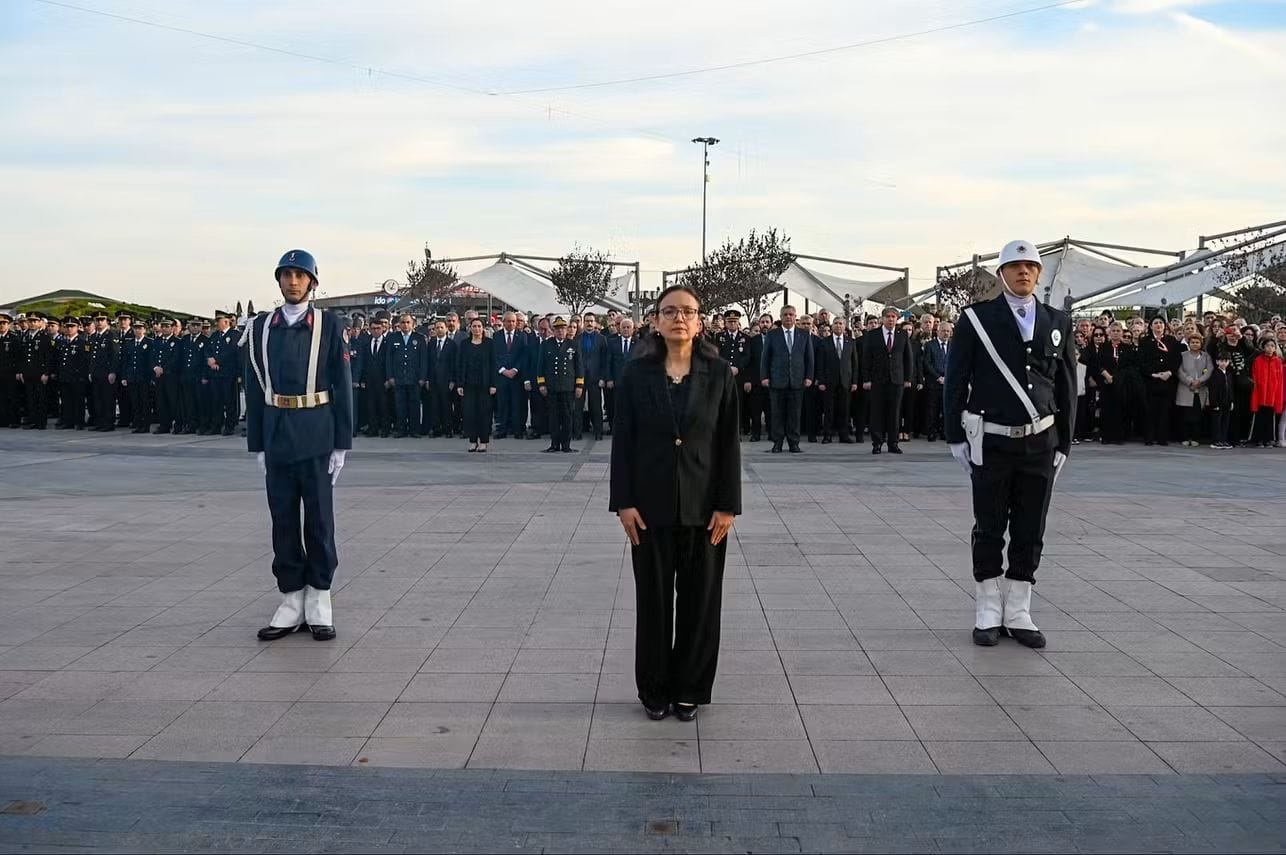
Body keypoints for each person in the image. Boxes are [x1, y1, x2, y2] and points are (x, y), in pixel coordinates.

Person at [610, 284, 740, 722]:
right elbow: (623, 442)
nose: (679, 318)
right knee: (653, 600)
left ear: (700, 321)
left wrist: (728, 506)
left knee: (701, 602)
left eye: (688, 311)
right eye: (669, 311)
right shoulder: (635, 374)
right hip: (648, 508)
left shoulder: (720, 374)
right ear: (655, 321)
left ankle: (690, 687)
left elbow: (728, 445)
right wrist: (623, 502)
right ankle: (655, 689)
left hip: (706, 511)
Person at [945, 239, 1075, 650]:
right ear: (1001, 274)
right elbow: (955, 380)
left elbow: (1068, 385)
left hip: (1041, 441)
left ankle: (1019, 610)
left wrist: (1065, 443)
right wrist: (953, 435)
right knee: (988, 524)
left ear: (1039, 274)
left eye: (1031, 267)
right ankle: (987, 608)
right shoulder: (976, 319)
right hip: (992, 441)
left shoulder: (1058, 320)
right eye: (1015, 267)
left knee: (1030, 526)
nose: (1024, 273)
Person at [245, 249, 353, 642]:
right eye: (286, 274)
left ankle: (319, 598)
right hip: (277, 431)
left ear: (312, 281)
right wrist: (257, 442)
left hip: (317, 432)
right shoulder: (261, 327)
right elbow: (254, 387)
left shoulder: (328, 324)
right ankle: (291, 599)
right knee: (283, 520)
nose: (293, 281)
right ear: (278, 280)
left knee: (320, 521)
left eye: (300, 275)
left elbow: (341, 384)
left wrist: (342, 443)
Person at [760, 305, 813, 453]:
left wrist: (809, 376)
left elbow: (809, 358)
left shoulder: (804, 334)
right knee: (777, 414)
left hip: (797, 381)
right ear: (781, 317)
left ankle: (793, 443)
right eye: (785, 315)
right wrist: (764, 376)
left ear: (795, 317)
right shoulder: (772, 335)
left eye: (791, 314)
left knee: (794, 414)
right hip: (777, 380)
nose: (788, 317)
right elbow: (765, 358)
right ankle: (777, 443)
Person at [861, 306, 913, 454]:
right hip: (877, 380)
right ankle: (877, 443)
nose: (891, 319)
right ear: (882, 319)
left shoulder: (902, 334)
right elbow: (866, 359)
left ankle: (893, 443)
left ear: (897, 319)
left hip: (897, 380)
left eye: (894, 317)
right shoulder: (873, 335)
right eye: (888, 317)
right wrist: (866, 379)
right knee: (877, 413)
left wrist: (907, 378)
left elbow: (907, 358)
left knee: (895, 413)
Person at [537, 317, 584, 453]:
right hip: (552, 387)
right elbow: (540, 366)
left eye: (563, 328)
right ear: (553, 330)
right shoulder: (546, 344)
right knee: (553, 417)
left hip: (568, 387)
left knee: (568, 416)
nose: (561, 331)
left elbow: (579, 366)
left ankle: (566, 445)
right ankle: (554, 444)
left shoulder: (573, 344)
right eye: (558, 329)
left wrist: (579, 385)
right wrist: (541, 384)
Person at [1137, 317, 1181, 446]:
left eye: (1161, 323)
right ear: (1150, 326)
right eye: (1155, 323)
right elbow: (1141, 360)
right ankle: (1149, 437)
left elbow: (1176, 359)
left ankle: (1162, 437)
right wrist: (1152, 374)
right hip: (1150, 380)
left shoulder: (1171, 341)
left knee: (1165, 410)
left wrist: (1169, 372)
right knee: (1150, 410)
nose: (1158, 325)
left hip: (1167, 380)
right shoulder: (1145, 341)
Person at [455, 317, 496, 452]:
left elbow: (493, 365)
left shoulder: (489, 344)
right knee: (470, 413)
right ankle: (473, 441)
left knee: (484, 413)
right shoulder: (465, 344)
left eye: (479, 326)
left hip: (485, 384)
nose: (477, 329)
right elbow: (460, 364)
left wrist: (493, 384)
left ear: (483, 328)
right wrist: (460, 384)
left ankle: (483, 441)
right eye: (474, 326)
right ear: (470, 328)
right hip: (468, 384)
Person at [817, 316, 859, 443]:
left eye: (841, 323)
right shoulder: (824, 342)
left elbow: (855, 363)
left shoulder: (850, 341)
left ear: (844, 326)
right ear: (832, 325)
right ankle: (827, 435)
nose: (838, 325)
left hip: (846, 381)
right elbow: (820, 363)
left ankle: (844, 435)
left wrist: (855, 382)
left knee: (844, 410)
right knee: (829, 410)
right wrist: (821, 381)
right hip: (829, 381)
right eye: (836, 323)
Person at [385, 313, 427, 438]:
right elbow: (389, 359)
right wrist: (390, 376)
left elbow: (423, 359)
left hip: (414, 378)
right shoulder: (393, 338)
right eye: (403, 322)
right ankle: (401, 429)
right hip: (399, 377)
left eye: (408, 322)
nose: (405, 325)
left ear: (413, 324)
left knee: (414, 405)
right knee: (400, 405)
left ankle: (414, 429)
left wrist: (422, 377)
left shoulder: (419, 338)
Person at [492, 313, 529, 439]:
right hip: (502, 376)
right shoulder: (496, 336)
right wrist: (503, 370)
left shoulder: (522, 336)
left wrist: (515, 369)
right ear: (503, 322)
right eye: (508, 321)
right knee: (502, 404)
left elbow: (524, 355)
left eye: (513, 321)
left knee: (516, 403)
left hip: (516, 376)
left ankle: (517, 430)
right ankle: (502, 429)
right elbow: (494, 355)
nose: (511, 324)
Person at [55, 317, 90, 430]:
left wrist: (81, 375)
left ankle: (79, 422)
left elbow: (85, 360)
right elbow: (60, 359)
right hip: (65, 376)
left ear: (77, 328)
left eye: (72, 326)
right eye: (67, 327)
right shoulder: (62, 341)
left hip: (77, 377)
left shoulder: (82, 342)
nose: (69, 329)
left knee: (78, 401)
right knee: (66, 400)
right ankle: (67, 421)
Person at [1176, 333, 1211, 447]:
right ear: (1189, 343)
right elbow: (1179, 371)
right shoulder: (1182, 355)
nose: (1195, 344)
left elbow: (1209, 370)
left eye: (1197, 342)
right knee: (1185, 415)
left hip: (1200, 389)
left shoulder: (1206, 356)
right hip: (1185, 388)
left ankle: (1196, 437)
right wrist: (1190, 381)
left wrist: (1200, 381)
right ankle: (1185, 437)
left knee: (1197, 416)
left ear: (1201, 343)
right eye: (1192, 342)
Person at [1249, 337, 1283, 448]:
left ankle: (1268, 439)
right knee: (1259, 418)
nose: (1270, 348)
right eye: (1268, 345)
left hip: (1272, 395)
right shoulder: (1258, 360)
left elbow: (1280, 380)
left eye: (1272, 346)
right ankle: (1258, 439)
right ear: (1263, 347)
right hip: (1260, 393)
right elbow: (1254, 376)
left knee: (1270, 418)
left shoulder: (1278, 362)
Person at [120, 320, 153, 433]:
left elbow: (150, 361)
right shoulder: (129, 343)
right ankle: (137, 423)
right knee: (135, 401)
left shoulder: (149, 342)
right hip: (132, 376)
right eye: (136, 328)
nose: (138, 330)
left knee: (145, 401)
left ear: (145, 330)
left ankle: (145, 425)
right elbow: (125, 361)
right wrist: (124, 376)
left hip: (144, 377)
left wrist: (151, 377)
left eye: (140, 328)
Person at [921, 320, 951, 442]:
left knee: (946, 409)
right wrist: (938, 377)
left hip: (948, 383)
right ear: (938, 331)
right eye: (943, 331)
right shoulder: (930, 345)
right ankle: (931, 432)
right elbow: (927, 363)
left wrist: (948, 377)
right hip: (934, 382)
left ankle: (944, 432)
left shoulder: (953, 345)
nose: (946, 333)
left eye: (948, 331)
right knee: (932, 408)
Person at [1208, 352, 1234, 449]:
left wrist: (1231, 401)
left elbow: (1230, 388)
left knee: (1225, 422)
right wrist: (1214, 403)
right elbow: (1213, 390)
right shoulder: (1215, 373)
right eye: (1221, 361)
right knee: (1217, 422)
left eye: (1226, 361)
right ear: (1217, 362)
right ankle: (1216, 440)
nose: (1224, 363)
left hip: (1226, 401)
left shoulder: (1228, 373)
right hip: (1218, 402)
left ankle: (1223, 439)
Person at [0, 313, 19, 429]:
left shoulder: (13, 338)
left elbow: (18, 357)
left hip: (10, 372)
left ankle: (14, 420)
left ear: (8, 324)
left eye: (4, 323)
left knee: (12, 397)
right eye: (0, 324)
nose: (1, 326)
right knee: (1, 398)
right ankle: (3, 420)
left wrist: (17, 372)